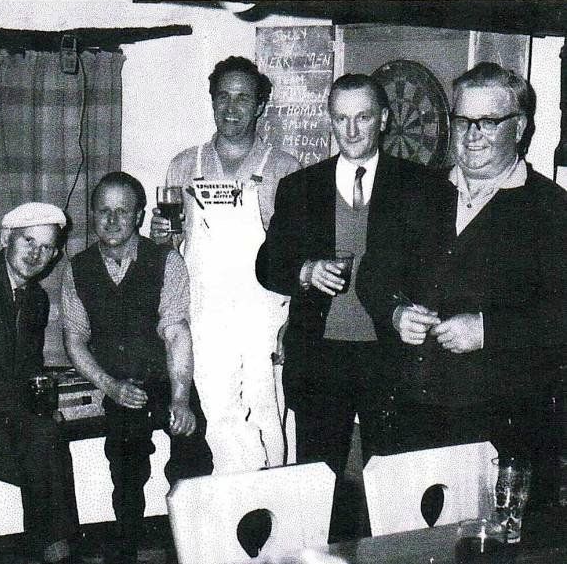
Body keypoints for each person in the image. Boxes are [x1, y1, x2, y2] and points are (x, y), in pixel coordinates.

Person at [357, 63, 567, 506]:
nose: (472, 134)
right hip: (411, 415)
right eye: (463, 120)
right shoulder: (416, 194)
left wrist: (488, 330)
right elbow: (373, 275)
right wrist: (394, 313)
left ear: (519, 128)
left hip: (505, 426)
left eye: (488, 121)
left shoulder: (552, 210)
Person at [255, 73, 451, 536]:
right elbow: (267, 264)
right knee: (318, 494)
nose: (352, 129)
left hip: (392, 357)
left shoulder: (421, 186)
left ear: (383, 119)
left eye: (363, 117)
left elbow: (439, 272)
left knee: (397, 490)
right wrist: (305, 271)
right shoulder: (301, 186)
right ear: (330, 120)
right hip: (320, 359)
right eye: (341, 119)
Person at [151, 56, 300, 474]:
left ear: (260, 106)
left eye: (243, 98)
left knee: (267, 411)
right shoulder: (185, 165)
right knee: (219, 418)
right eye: (223, 97)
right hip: (206, 313)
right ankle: (238, 503)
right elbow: (171, 251)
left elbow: (297, 254)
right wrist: (161, 236)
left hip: (264, 313)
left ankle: (271, 503)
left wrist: (293, 322)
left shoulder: (285, 169)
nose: (231, 108)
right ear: (212, 101)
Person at [63, 172, 213, 564]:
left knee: (193, 458)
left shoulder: (167, 261)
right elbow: (75, 340)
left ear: (139, 216)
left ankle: (192, 551)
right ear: (92, 214)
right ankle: (125, 551)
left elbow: (176, 332)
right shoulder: (77, 268)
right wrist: (109, 386)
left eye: (122, 211)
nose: (112, 220)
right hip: (118, 385)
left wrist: (181, 400)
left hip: (166, 380)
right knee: (126, 472)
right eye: (103, 211)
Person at [0, 202, 79, 564]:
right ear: (6, 239)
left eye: (46, 247)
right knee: (45, 446)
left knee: (47, 442)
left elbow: (29, 369)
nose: (36, 254)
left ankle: (52, 548)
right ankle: (57, 550)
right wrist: (34, 414)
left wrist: (44, 407)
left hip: (2, 417)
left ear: (55, 256)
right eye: (28, 241)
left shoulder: (36, 299)